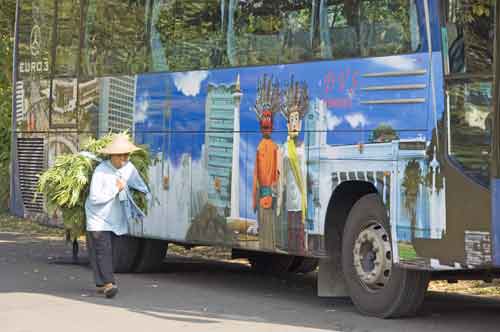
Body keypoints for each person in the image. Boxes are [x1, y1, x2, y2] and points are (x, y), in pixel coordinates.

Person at [85, 135, 149, 298]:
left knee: (104, 250)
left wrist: (145, 194)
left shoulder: (129, 168)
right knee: (103, 250)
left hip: (115, 218)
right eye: (120, 155)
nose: (124, 158)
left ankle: (100, 283)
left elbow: (139, 184)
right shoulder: (101, 171)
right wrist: (116, 189)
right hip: (97, 217)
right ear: (111, 155)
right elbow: (94, 198)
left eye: (126, 155)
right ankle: (109, 284)